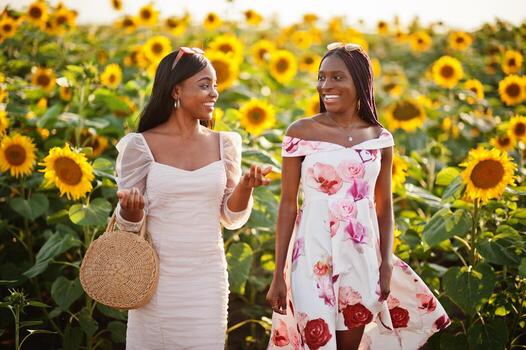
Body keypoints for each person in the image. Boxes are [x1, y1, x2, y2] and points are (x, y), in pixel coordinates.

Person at [266, 42, 450, 350]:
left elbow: (384, 207)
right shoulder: (300, 132)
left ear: (360, 82)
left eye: (337, 77)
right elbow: (287, 205)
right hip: (312, 254)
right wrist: (278, 274)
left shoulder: (380, 138)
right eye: (322, 78)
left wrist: (386, 263)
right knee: (316, 341)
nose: (326, 85)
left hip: (362, 256)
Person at [114, 47, 271, 349]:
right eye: (204, 85)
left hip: (207, 278)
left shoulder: (224, 144)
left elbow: (229, 215)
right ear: (176, 90)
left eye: (214, 85)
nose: (214, 93)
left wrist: (246, 187)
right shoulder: (141, 146)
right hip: (156, 280)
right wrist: (130, 211)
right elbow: (128, 227)